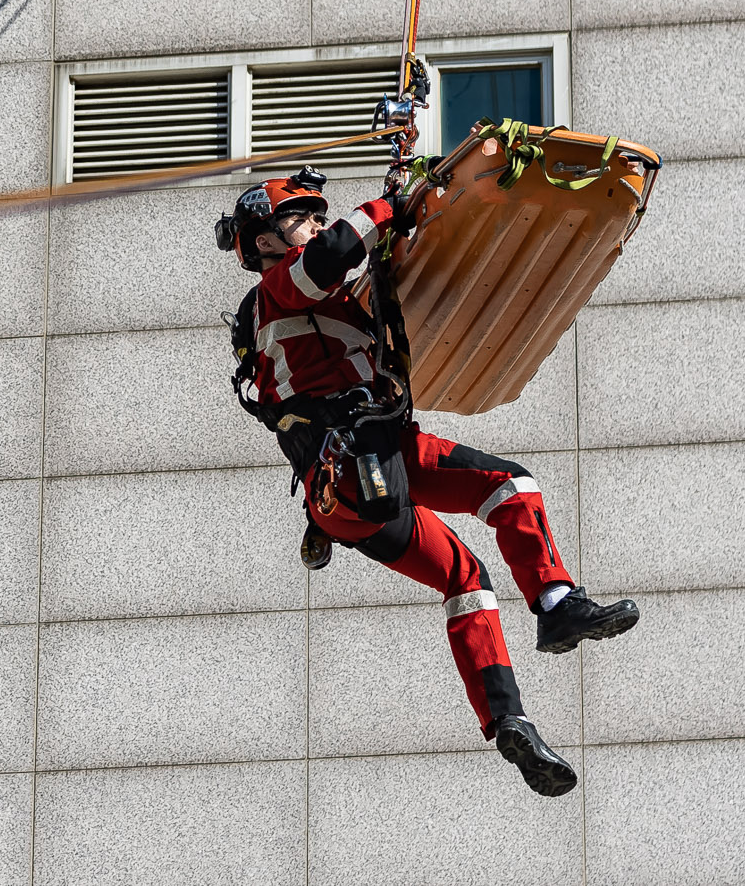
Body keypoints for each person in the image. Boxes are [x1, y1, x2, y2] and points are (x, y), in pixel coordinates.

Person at [218, 168, 638, 797]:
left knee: (464, 578)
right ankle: (555, 604)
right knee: (509, 485)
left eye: (315, 215)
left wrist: (396, 246)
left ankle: (508, 720)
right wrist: (387, 204)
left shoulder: (304, 310)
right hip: (367, 452)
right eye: (300, 217)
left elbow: (367, 287)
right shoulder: (282, 288)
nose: (314, 223)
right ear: (265, 241)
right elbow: (334, 254)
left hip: (343, 496)